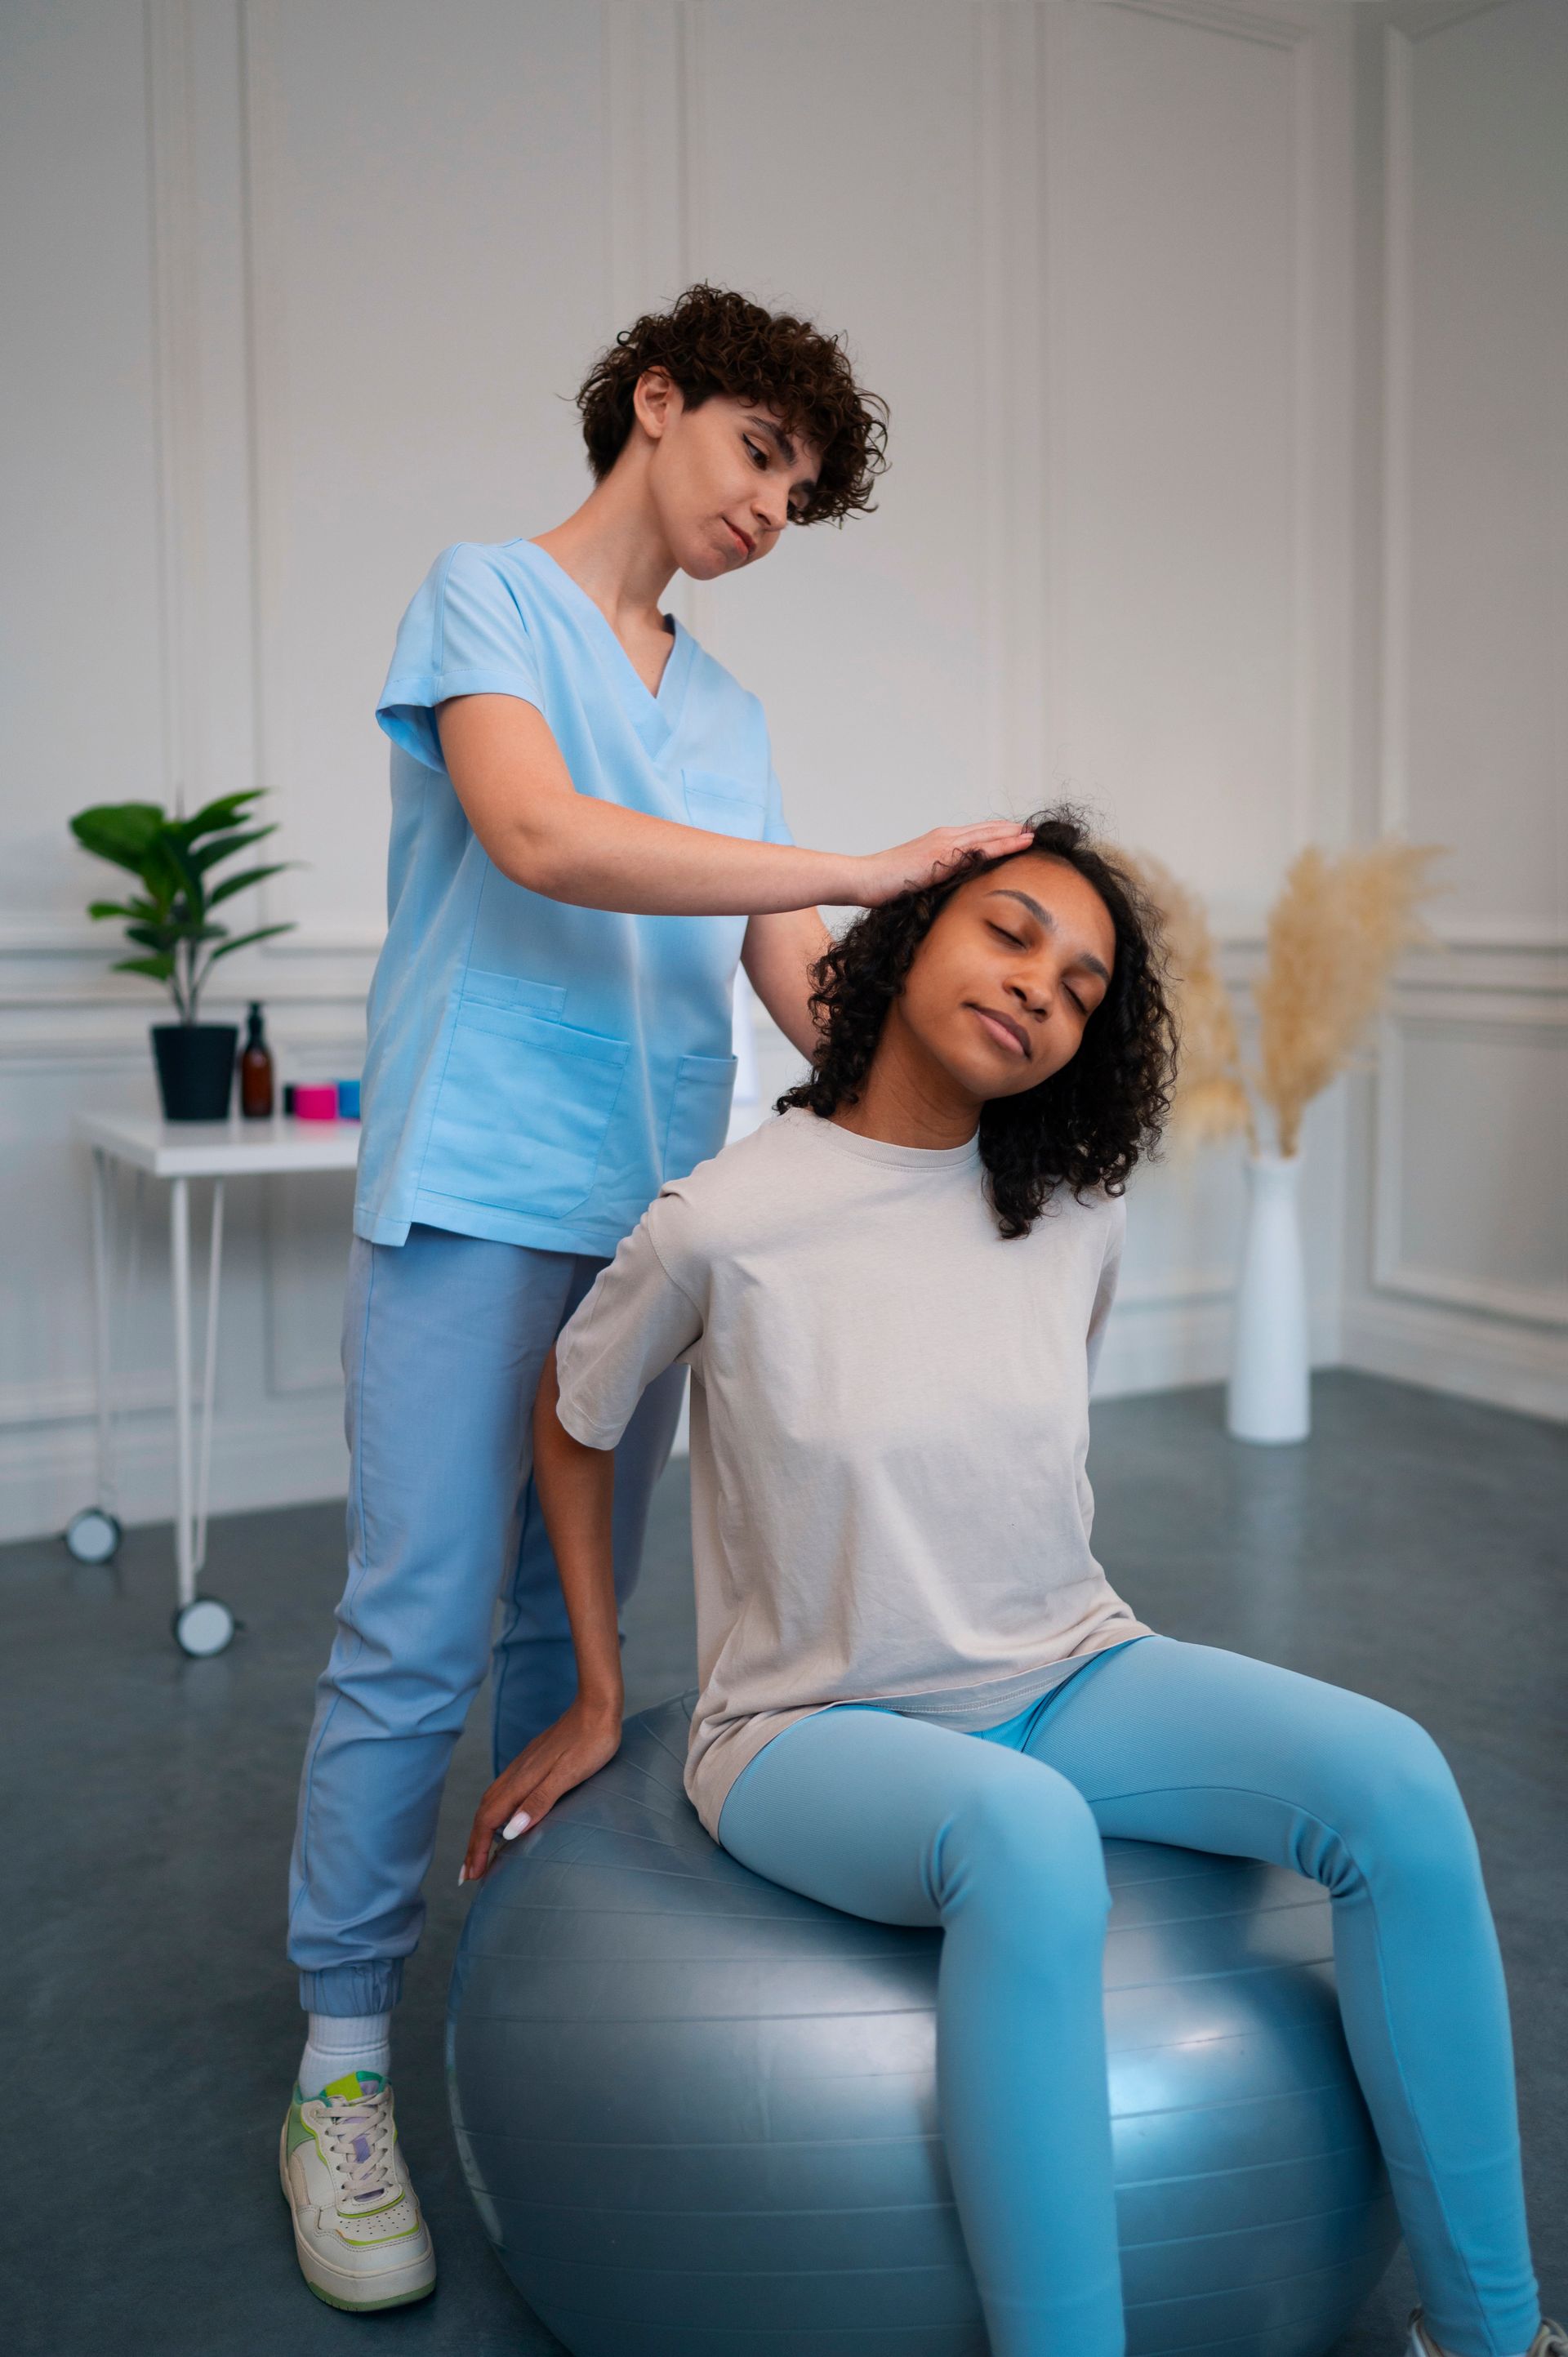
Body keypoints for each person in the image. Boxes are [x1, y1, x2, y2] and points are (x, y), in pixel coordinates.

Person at [464, 809, 1561, 2357]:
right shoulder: (730, 1217)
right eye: (1012, 930)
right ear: (913, 932)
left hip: (1067, 1668)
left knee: (1394, 1777)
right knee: (1028, 1837)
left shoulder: (1074, 1216)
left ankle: (1492, 2331)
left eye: (1086, 983)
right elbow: (571, 1422)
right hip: (806, 1725)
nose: (1045, 985)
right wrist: (594, 1682)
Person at [279, 282, 1035, 2314]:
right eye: (757, 453)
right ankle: (340, 2062)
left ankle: (524, 2005)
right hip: (467, 1193)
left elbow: (794, 981)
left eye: (806, 487)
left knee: (574, 1638)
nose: (773, 508)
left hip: (649, 1219)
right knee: (418, 1626)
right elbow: (536, 837)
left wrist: (967, 1057)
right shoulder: (487, 604)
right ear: (656, 403)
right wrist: (870, 863)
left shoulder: (731, 716)